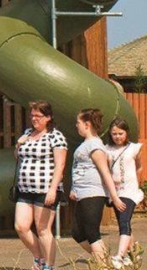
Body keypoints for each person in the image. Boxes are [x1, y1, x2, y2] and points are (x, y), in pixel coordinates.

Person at [13, 100, 68, 270]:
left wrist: (53, 189)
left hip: (45, 188)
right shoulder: (28, 133)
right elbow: (18, 157)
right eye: (32, 115)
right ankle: (39, 257)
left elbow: (60, 165)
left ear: (48, 117)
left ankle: (49, 265)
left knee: (43, 228)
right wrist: (19, 144)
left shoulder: (55, 136)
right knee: (21, 226)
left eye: (38, 116)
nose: (34, 119)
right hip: (25, 187)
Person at [68, 109, 126, 264]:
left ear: (87, 124)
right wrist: (74, 188)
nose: (76, 126)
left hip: (93, 194)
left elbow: (105, 172)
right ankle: (105, 259)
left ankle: (104, 266)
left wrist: (114, 196)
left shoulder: (94, 145)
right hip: (82, 193)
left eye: (78, 123)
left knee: (92, 232)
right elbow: (79, 168)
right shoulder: (86, 144)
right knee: (77, 232)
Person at [105, 117, 143, 268]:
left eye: (120, 133)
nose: (117, 136)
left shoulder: (134, 148)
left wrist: (135, 182)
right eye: (114, 133)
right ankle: (132, 253)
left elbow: (139, 166)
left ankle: (119, 256)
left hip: (129, 190)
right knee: (123, 223)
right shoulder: (106, 149)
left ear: (126, 133)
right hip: (115, 191)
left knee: (124, 221)